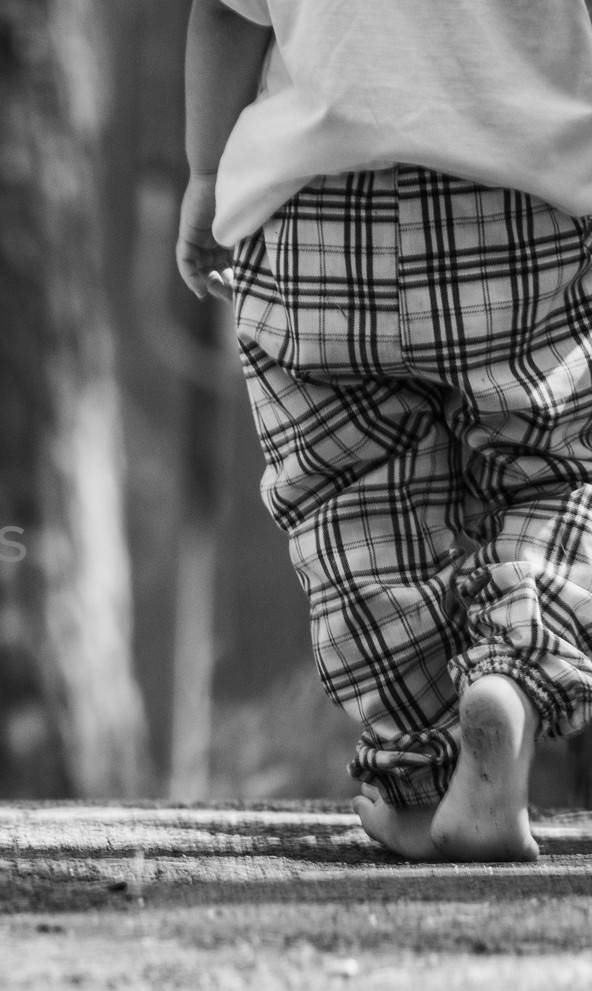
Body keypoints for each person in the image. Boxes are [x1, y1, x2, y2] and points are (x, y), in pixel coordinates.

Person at [178, 0, 592, 860]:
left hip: (313, 215)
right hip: (526, 199)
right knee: (554, 472)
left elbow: (222, 12)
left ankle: (415, 781)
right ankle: (509, 685)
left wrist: (205, 176)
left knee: (355, 502)